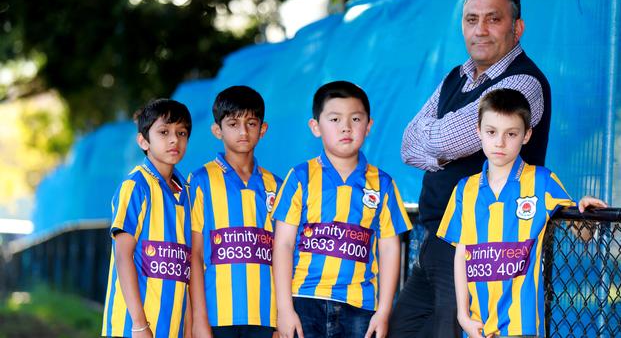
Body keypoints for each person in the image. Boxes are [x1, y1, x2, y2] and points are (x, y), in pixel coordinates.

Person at [391, 0, 551, 337]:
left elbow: (452, 138)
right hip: (435, 239)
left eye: (493, 19)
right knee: (401, 328)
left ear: (517, 27)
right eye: (471, 19)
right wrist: (443, 153)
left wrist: (439, 145)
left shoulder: (522, 83)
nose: (480, 29)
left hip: (482, 248)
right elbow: (407, 144)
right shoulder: (455, 77)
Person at [436, 88, 607, 338]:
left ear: (526, 135)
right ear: (478, 132)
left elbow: (583, 235)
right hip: (478, 325)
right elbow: (461, 254)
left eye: (511, 134)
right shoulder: (465, 189)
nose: (500, 142)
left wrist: (586, 213)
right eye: (491, 132)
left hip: (522, 326)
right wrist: (463, 315)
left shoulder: (542, 181)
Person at [272, 81, 412, 338]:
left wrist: (383, 312)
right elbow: (283, 245)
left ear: (368, 126)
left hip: (360, 307)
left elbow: (390, 247)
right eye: (334, 119)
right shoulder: (300, 177)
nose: (346, 127)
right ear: (315, 127)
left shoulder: (382, 183)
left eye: (355, 119)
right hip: (304, 299)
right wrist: (284, 309)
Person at [188, 86, 282, 338]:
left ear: (263, 129)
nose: (243, 131)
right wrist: (199, 320)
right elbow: (194, 255)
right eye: (233, 123)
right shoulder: (200, 181)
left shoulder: (278, 186)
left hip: (266, 316)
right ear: (217, 130)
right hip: (217, 315)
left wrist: (282, 316)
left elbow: (285, 255)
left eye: (251, 123)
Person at [102, 99, 193, 338]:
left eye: (181, 132)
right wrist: (140, 325)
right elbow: (123, 256)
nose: (174, 139)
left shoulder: (188, 192)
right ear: (143, 141)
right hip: (131, 329)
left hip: (172, 329)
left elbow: (187, 269)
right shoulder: (136, 186)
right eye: (164, 132)